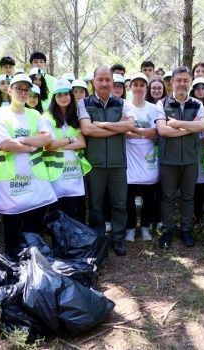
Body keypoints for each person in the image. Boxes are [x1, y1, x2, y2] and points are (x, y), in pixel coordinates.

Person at [0, 73, 57, 258]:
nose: (22, 92)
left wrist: (20, 140)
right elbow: (4, 144)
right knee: (12, 230)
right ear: (9, 90)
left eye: (26, 89)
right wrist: (32, 145)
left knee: (33, 231)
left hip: (35, 181)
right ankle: (13, 264)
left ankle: (33, 266)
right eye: (18, 88)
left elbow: (46, 138)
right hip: (11, 183)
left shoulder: (35, 114)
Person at [78, 66, 134, 255]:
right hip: (94, 163)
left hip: (118, 163)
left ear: (112, 82)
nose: (104, 83)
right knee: (95, 204)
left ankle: (118, 238)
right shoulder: (84, 103)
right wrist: (117, 128)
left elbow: (130, 125)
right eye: (100, 80)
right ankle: (99, 239)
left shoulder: (122, 103)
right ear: (93, 81)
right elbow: (87, 130)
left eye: (107, 80)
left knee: (119, 203)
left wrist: (102, 125)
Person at [155, 66, 204, 249]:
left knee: (188, 197)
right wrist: (188, 128)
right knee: (168, 197)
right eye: (179, 80)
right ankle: (167, 231)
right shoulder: (162, 104)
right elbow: (162, 130)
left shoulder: (197, 104)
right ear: (172, 82)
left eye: (186, 80)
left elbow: (201, 126)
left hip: (191, 159)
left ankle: (186, 230)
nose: (182, 84)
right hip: (169, 160)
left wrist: (177, 124)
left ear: (190, 83)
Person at [43, 80, 90, 223]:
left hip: (74, 172)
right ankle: (60, 243)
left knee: (76, 211)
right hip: (57, 174)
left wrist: (60, 144)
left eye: (66, 94)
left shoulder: (74, 116)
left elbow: (82, 143)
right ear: (54, 98)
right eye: (59, 95)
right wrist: (70, 140)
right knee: (59, 212)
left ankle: (78, 243)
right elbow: (49, 145)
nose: (63, 98)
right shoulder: (47, 118)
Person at [124, 73, 158, 242]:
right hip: (130, 157)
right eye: (135, 84)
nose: (138, 88)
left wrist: (134, 131)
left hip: (149, 157)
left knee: (148, 197)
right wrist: (144, 134)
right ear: (130, 87)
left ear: (146, 88)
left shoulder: (153, 108)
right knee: (129, 197)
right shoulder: (124, 106)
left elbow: (155, 131)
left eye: (142, 85)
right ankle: (130, 228)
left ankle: (145, 227)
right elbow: (124, 132)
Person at [189, 77, 204, 222]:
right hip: (192, 147)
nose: (200, 91)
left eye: (203, 88)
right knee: (195, 182)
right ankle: (195, 216)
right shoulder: (190, 105)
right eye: (197, 88)